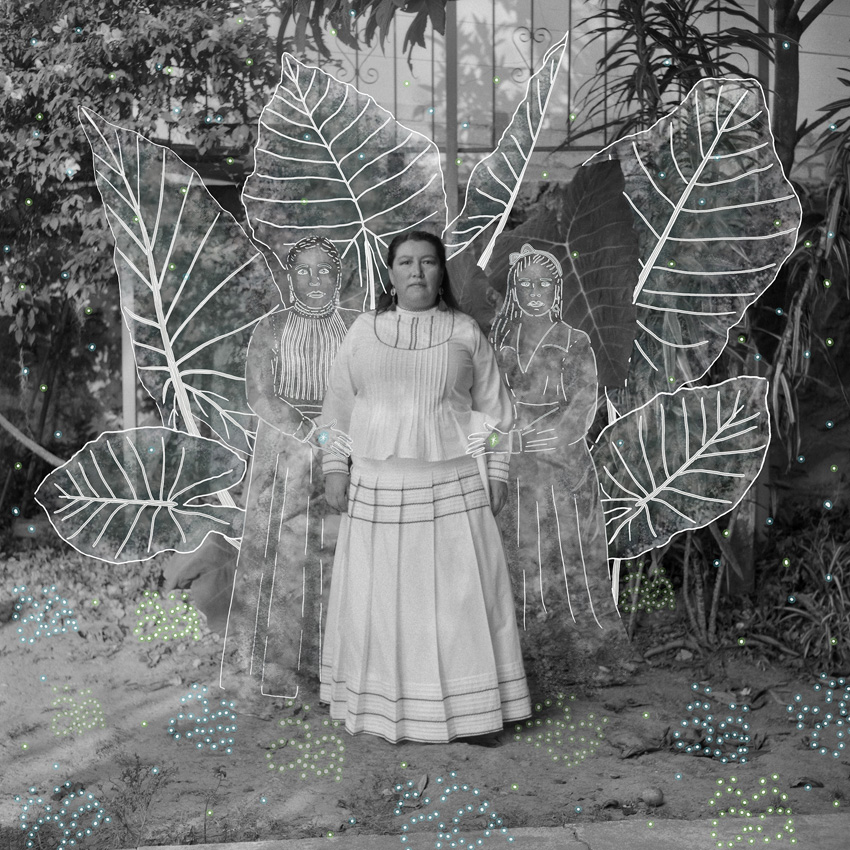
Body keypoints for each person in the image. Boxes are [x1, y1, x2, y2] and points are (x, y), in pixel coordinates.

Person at [318, 230, 532, 743]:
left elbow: (496, 409)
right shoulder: (363, 332)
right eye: (406, 263)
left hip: (453, 483)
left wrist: (498, 473)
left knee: (458, 601)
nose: (417, 272)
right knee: (382, 600)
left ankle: (474, 713)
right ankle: (380, 709)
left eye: (429, 262)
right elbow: (338, 405)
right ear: (390, 274)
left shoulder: (465, 331)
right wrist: (334, 465)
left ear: (441, 273)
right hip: (376, 484)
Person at [470, 243, 621, 675]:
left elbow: (582, 406)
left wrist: (542, 439)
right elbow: (482, 399)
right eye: (525, 284)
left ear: (557, 291)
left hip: (559, 468)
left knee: (561, 557)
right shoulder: (498, 342)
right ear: (514, 290)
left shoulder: (575, 341)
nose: (534, 291)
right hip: (507, 468)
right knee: (510, 556)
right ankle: (514, 652)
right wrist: (500, 439)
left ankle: (572, 648)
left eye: (543, 284)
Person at [222, 235, 356, 698]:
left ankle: (344, 670)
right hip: (285, 453)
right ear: (288, 278)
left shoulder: (358, 327)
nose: (314, 280)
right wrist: (308, 430)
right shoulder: (271, 329)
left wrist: (340, 433)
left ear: (339, 277)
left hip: (348, 445)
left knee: (346, 554)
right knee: (283, 559)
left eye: (324, 271)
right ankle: (278, 670)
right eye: (303, 271)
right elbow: (259, 393)